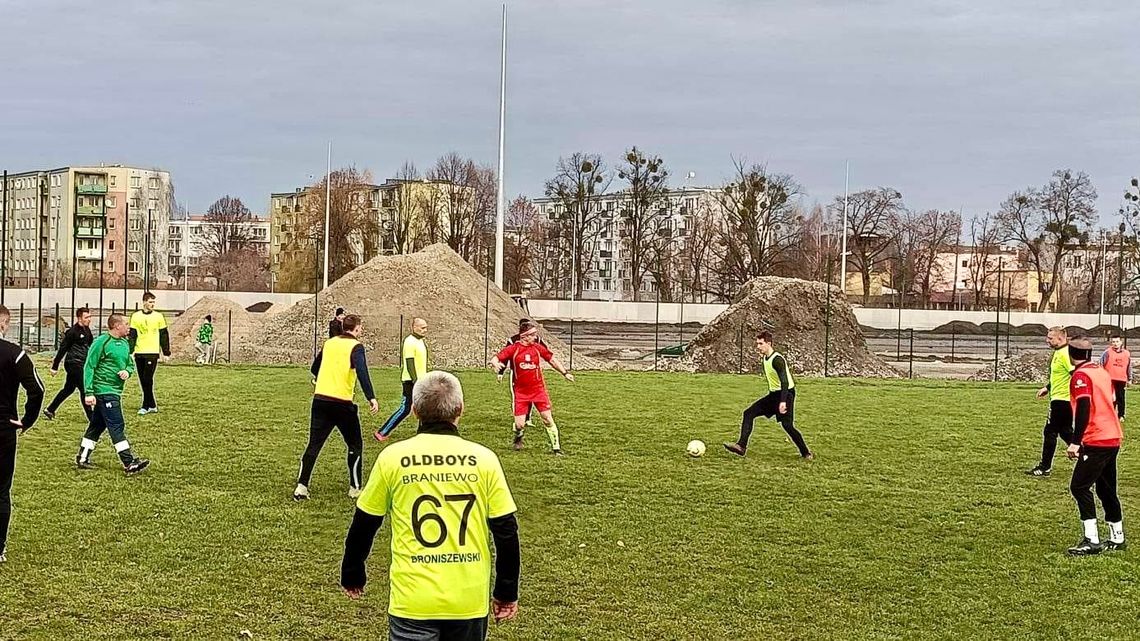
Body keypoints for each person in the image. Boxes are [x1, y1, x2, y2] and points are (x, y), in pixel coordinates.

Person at [341, 371, 521, 640]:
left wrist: (353, 571)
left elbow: (365, 522)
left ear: (413, 411)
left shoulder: (393, 457)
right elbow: (506, 531)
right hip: (467, 600)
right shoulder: (484, 460)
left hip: (413, 600)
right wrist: (506, 591)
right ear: (460, 410)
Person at [295, 314, 379, 501]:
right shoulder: (356, 347)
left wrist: (323, 377)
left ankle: (301, 486)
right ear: (357, 329)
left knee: (314, 444)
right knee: (355, 444)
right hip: (342, 404)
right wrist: (371, 397)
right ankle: (355, 488)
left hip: (320, 401)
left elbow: (314, 368)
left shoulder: (330, 343)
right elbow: (362, 372)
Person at [1063, 337, 1126, 556]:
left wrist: (1075, 441)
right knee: (1106, 488)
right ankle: (1117, 537)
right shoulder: (1101, 371)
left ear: (1071, 355)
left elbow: (1083, 406)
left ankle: (1091, 540)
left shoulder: (1081, 375)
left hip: (1096, 438)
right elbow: (1114, 399)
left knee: (1079, 487)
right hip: (1113, 436)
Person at [74, 314, 150, 474]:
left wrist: (127, 372)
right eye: (126, 324)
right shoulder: (102, 342)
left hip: (115, 391)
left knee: (97, 426)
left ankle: (82, 457)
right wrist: (88, 392)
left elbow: (130, 364)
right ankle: (129, 462)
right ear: (117, 326)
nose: (129, 327)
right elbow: (89, 366)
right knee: (116, 425)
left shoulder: (124, 343)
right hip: (104, 391)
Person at [0, 305, 45, 563]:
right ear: (4, 325)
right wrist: (27, 420)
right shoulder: (15, 353)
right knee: (1, 489)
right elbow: (37, 389)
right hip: (4, 428)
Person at [723, 331, 813, 460]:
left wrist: (783, 402)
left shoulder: (777, 360)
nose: (758, 347)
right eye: (757, 344)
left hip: (786, 394)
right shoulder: (765, 358)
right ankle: (741, 446)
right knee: (748, 413)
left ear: (769, 343)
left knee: (787, 426)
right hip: (773, 395)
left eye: (761, 344)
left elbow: (785, 382)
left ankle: (806, 453)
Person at [492, 321, 574, 454]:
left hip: (538, 390)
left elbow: (552, 360)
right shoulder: (514, 348)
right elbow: (496, 358)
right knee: (519, 424)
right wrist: (495, 364)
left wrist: (565, 373)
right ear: (524, 336)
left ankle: (556, 449)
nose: (535, 337)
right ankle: (518, 436)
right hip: (521, 392)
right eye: (532, 335)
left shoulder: (537, 347)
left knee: (547, 419)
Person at [1027, 326, 1075, 477]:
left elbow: (1076, 374)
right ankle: (1087, 456)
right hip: (1059, 398)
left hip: (1062, 401)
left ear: (1060, 339)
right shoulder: (1059, 352)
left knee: (1050, 431)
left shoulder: (1065, 354)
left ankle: (1044, 467)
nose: (1047, 340)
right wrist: (1048, 387)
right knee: (1065, 432)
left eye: (1050, 338)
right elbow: (1060, 376)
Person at [374, 317, 429, 443]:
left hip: (420, 380)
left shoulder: (420, 341)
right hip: (411, 381)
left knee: (423, 407)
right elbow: (410, 363)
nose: (425, 330)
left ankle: (423, 433)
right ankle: (382, 432)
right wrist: (416, 381)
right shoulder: (409, 342)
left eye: (426, 328)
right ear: (414, 327)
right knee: (405, 409)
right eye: (422, 327)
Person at [44, 306, 94, 422]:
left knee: (68, 389)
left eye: (90, 317)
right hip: (73, 364)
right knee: (84, 389)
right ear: (79, 318)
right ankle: (92, 418)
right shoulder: (72, 332)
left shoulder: (87, 330)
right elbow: (63, 349)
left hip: (82, 362)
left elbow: (90, 345)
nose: (89, 319)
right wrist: (54, 367)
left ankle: (50, 409)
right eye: (86, 317)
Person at [128, 292, 170, 415]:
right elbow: (132, 335)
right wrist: (130, 351)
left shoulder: (159, 316)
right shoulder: (135, 316)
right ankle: (152, 405)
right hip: (139, 352)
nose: (152, 305)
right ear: (144, 302)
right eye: (150, 302)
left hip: (152, 352)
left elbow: (164, 335)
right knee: (142, 380)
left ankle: (145, 405)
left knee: (148, 378)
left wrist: (166, 352)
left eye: (153, 302)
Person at [502, 318, 547, 430]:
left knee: (532, 398)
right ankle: (518, 420)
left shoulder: (536, 340)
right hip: (516, 373)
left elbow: (545, 351)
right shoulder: (513, 340)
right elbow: (505, 355)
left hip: (532, 373)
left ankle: (528, 419)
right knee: (517, 397)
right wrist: (500, 371)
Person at [1100, 334, 1131, 421]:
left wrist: (1130, 378)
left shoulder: (1126, 353)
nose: (1115, 343)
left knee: (1121, 397)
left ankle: (1121, 415)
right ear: (1111, 343)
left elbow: (1129, 366)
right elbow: (1101, 364)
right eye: (1113, 342)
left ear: (1120, 342)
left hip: (1121, 379)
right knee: (1110, 397)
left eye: (1117, 341)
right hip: (1109, 379)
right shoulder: (1107, 352)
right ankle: (1110, 414)